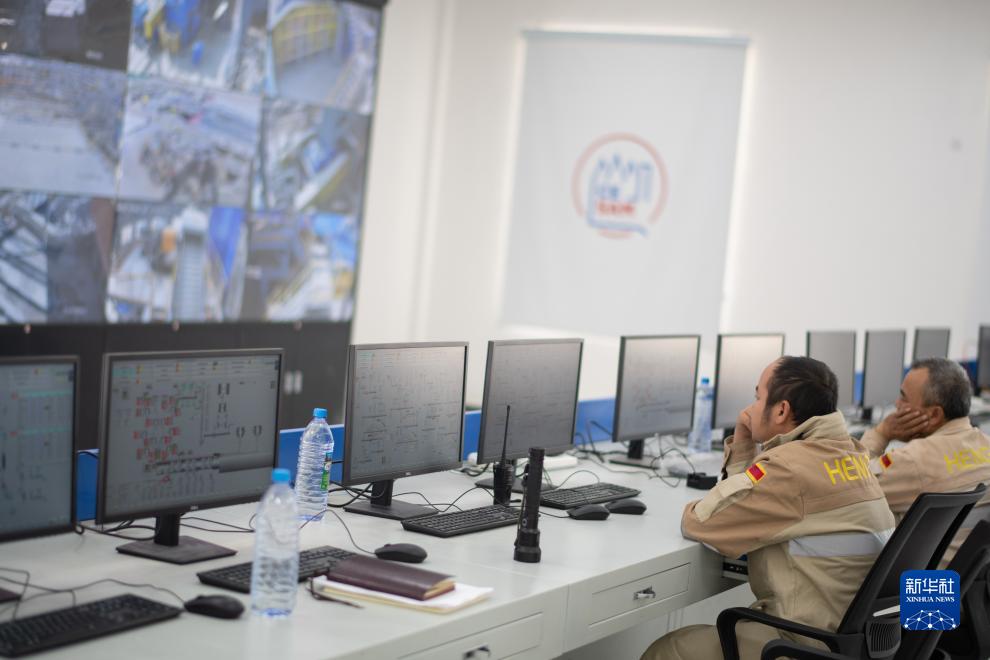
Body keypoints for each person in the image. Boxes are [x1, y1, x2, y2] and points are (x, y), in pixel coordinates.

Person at [642, 357, 895, 660]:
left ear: (781, 410)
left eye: (758, 397)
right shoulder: (852, 453)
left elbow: (702, 519)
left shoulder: (789, 468)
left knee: (668, 650)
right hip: (850, 641)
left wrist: (742, 444)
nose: (750, 408)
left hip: (801, 642)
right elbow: (744, 506)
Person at [862, 357, 990, 562]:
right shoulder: (986, 445)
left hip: (920, 582)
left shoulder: (912, 460)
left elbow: (852, 484)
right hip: (966, 579)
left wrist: (881, 433)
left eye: (904, 398)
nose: (897, 404)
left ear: (934, 415)